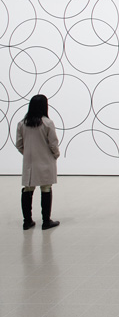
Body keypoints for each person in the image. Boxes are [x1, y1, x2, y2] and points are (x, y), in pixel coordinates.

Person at [16, 95, 61, 230]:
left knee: (28, 189)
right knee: (46, 189)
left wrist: (28, 153)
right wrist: (55, 155)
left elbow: (19, 144)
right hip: (45, 161)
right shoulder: (47, 123)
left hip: (30, 162)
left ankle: (27, 221)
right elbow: (53, 143)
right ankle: (46, 221)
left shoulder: (22, 124)